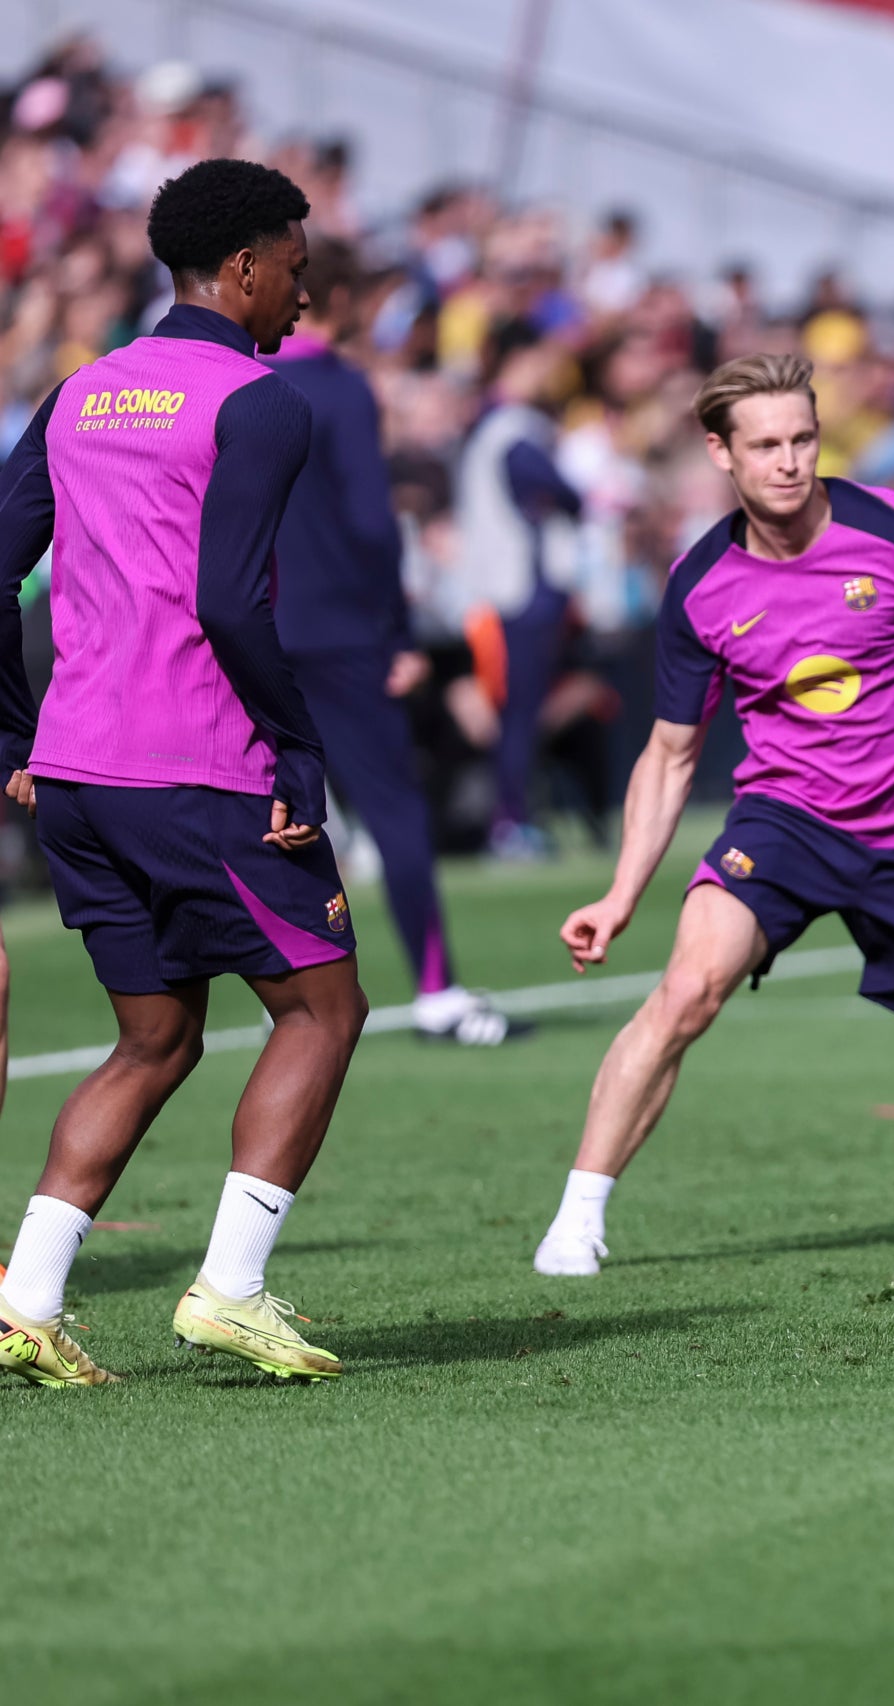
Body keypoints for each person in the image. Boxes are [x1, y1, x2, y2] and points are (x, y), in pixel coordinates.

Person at [531, 353, 894, 1276]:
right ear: (720, 453)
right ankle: (578, 1215)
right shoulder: (699, 586)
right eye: (765, 444)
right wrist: (619, 894)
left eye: (803, 438)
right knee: (686, 991)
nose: (789, 461)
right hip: (787, 827)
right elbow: (670, 753)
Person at [0, 159, 369, 1386]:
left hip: (80, 773)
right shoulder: (260, 402)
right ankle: (231, 1286)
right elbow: (230, 598)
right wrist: (299, 747)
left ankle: (29, 1301)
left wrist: (14, 739)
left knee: (151, 1040)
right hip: (202, 764)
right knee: (323, 1007)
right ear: (247, 267)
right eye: (297, 274)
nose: (303, 301)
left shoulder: (79, 394)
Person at [265, 238, 517, 1044]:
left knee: (256, 816)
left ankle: (277, 995)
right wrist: (398, 628)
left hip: (248, 627)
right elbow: (373, 522)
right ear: (338, 302)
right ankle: (437, 990)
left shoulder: (235, 380)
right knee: (395, 809)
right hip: (339, 628)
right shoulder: (340, 389)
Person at [453, 331, 583, 860]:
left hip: (509, 589)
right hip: (520, 590)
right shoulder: (513, 428)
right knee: (520, 713)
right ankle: (510, 823)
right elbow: (563, 491)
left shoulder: (492, 427)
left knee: (522, 712)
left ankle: (515, 818)